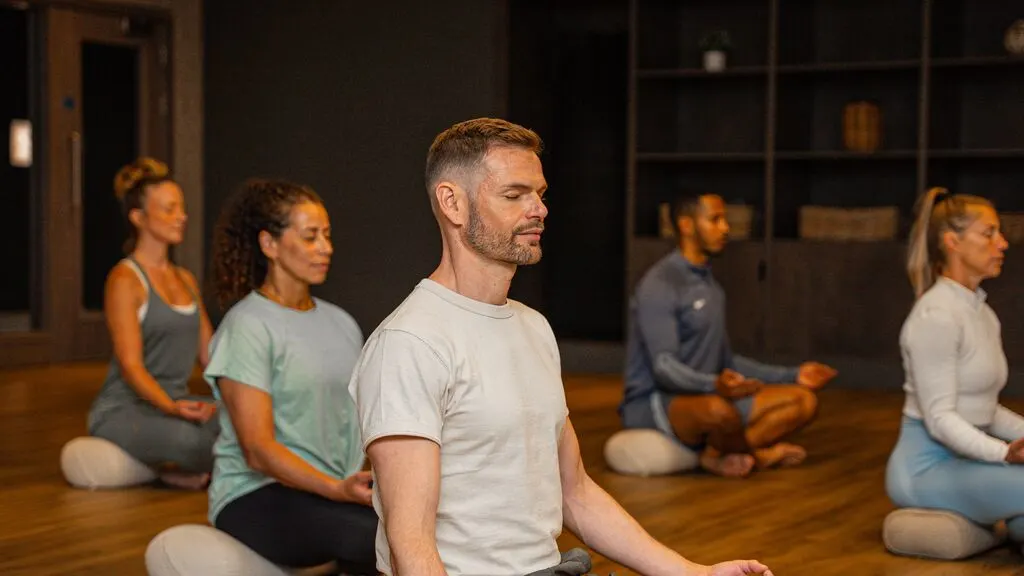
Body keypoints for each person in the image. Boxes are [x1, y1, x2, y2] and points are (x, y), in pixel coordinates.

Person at [348, 118, 773, 576]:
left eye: (540, 194)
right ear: (452, 202)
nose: (539, 210)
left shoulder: (533, 327)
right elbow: (410, 544)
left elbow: (575, 493)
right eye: (514, 195)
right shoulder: (410, 343)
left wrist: (693, 572)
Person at [203, 179, 376, 574]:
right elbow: (258, 450)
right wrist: (336, 489)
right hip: (256, 495)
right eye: (311, 236)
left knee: (415, 524)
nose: (326, 248)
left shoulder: (342, 322)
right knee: (372, 536)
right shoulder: (247, 326)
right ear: (269, 244)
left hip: (333, 489)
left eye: (328, 236)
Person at [619, 190, 838, 478]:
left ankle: (717, 455)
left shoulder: (712, 288)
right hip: (656, 401)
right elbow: (663, 367)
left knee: (804, 401)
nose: (726, 228)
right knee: (720, 412)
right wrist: (715, 385)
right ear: (686, 225)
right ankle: (753, 454)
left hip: (709, 393)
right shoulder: (660, 284)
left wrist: (792, 374)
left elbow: (726, 361)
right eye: (715, 219)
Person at [885, 187, 1024, 539]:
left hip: (966, 461)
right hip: (925, 469)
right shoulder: (936, 315)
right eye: (989, 233)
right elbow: (941, 420)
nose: (1002, 243)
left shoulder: (983, 314)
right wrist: (1005, 454)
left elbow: (985, 411)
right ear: (952, 242)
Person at [88, 157, 218, 490]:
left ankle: (169, 470)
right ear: (139, 218)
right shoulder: (124, 279)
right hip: (124, 408)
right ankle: (166, 470)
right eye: (170, 209)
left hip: (176, 402)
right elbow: (131, 366)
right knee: (197, 444)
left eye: (182, 208)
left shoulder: (185, 279)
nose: (182, 217)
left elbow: (211, 356)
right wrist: (172, 408)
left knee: (248, 425)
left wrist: (239, 400)